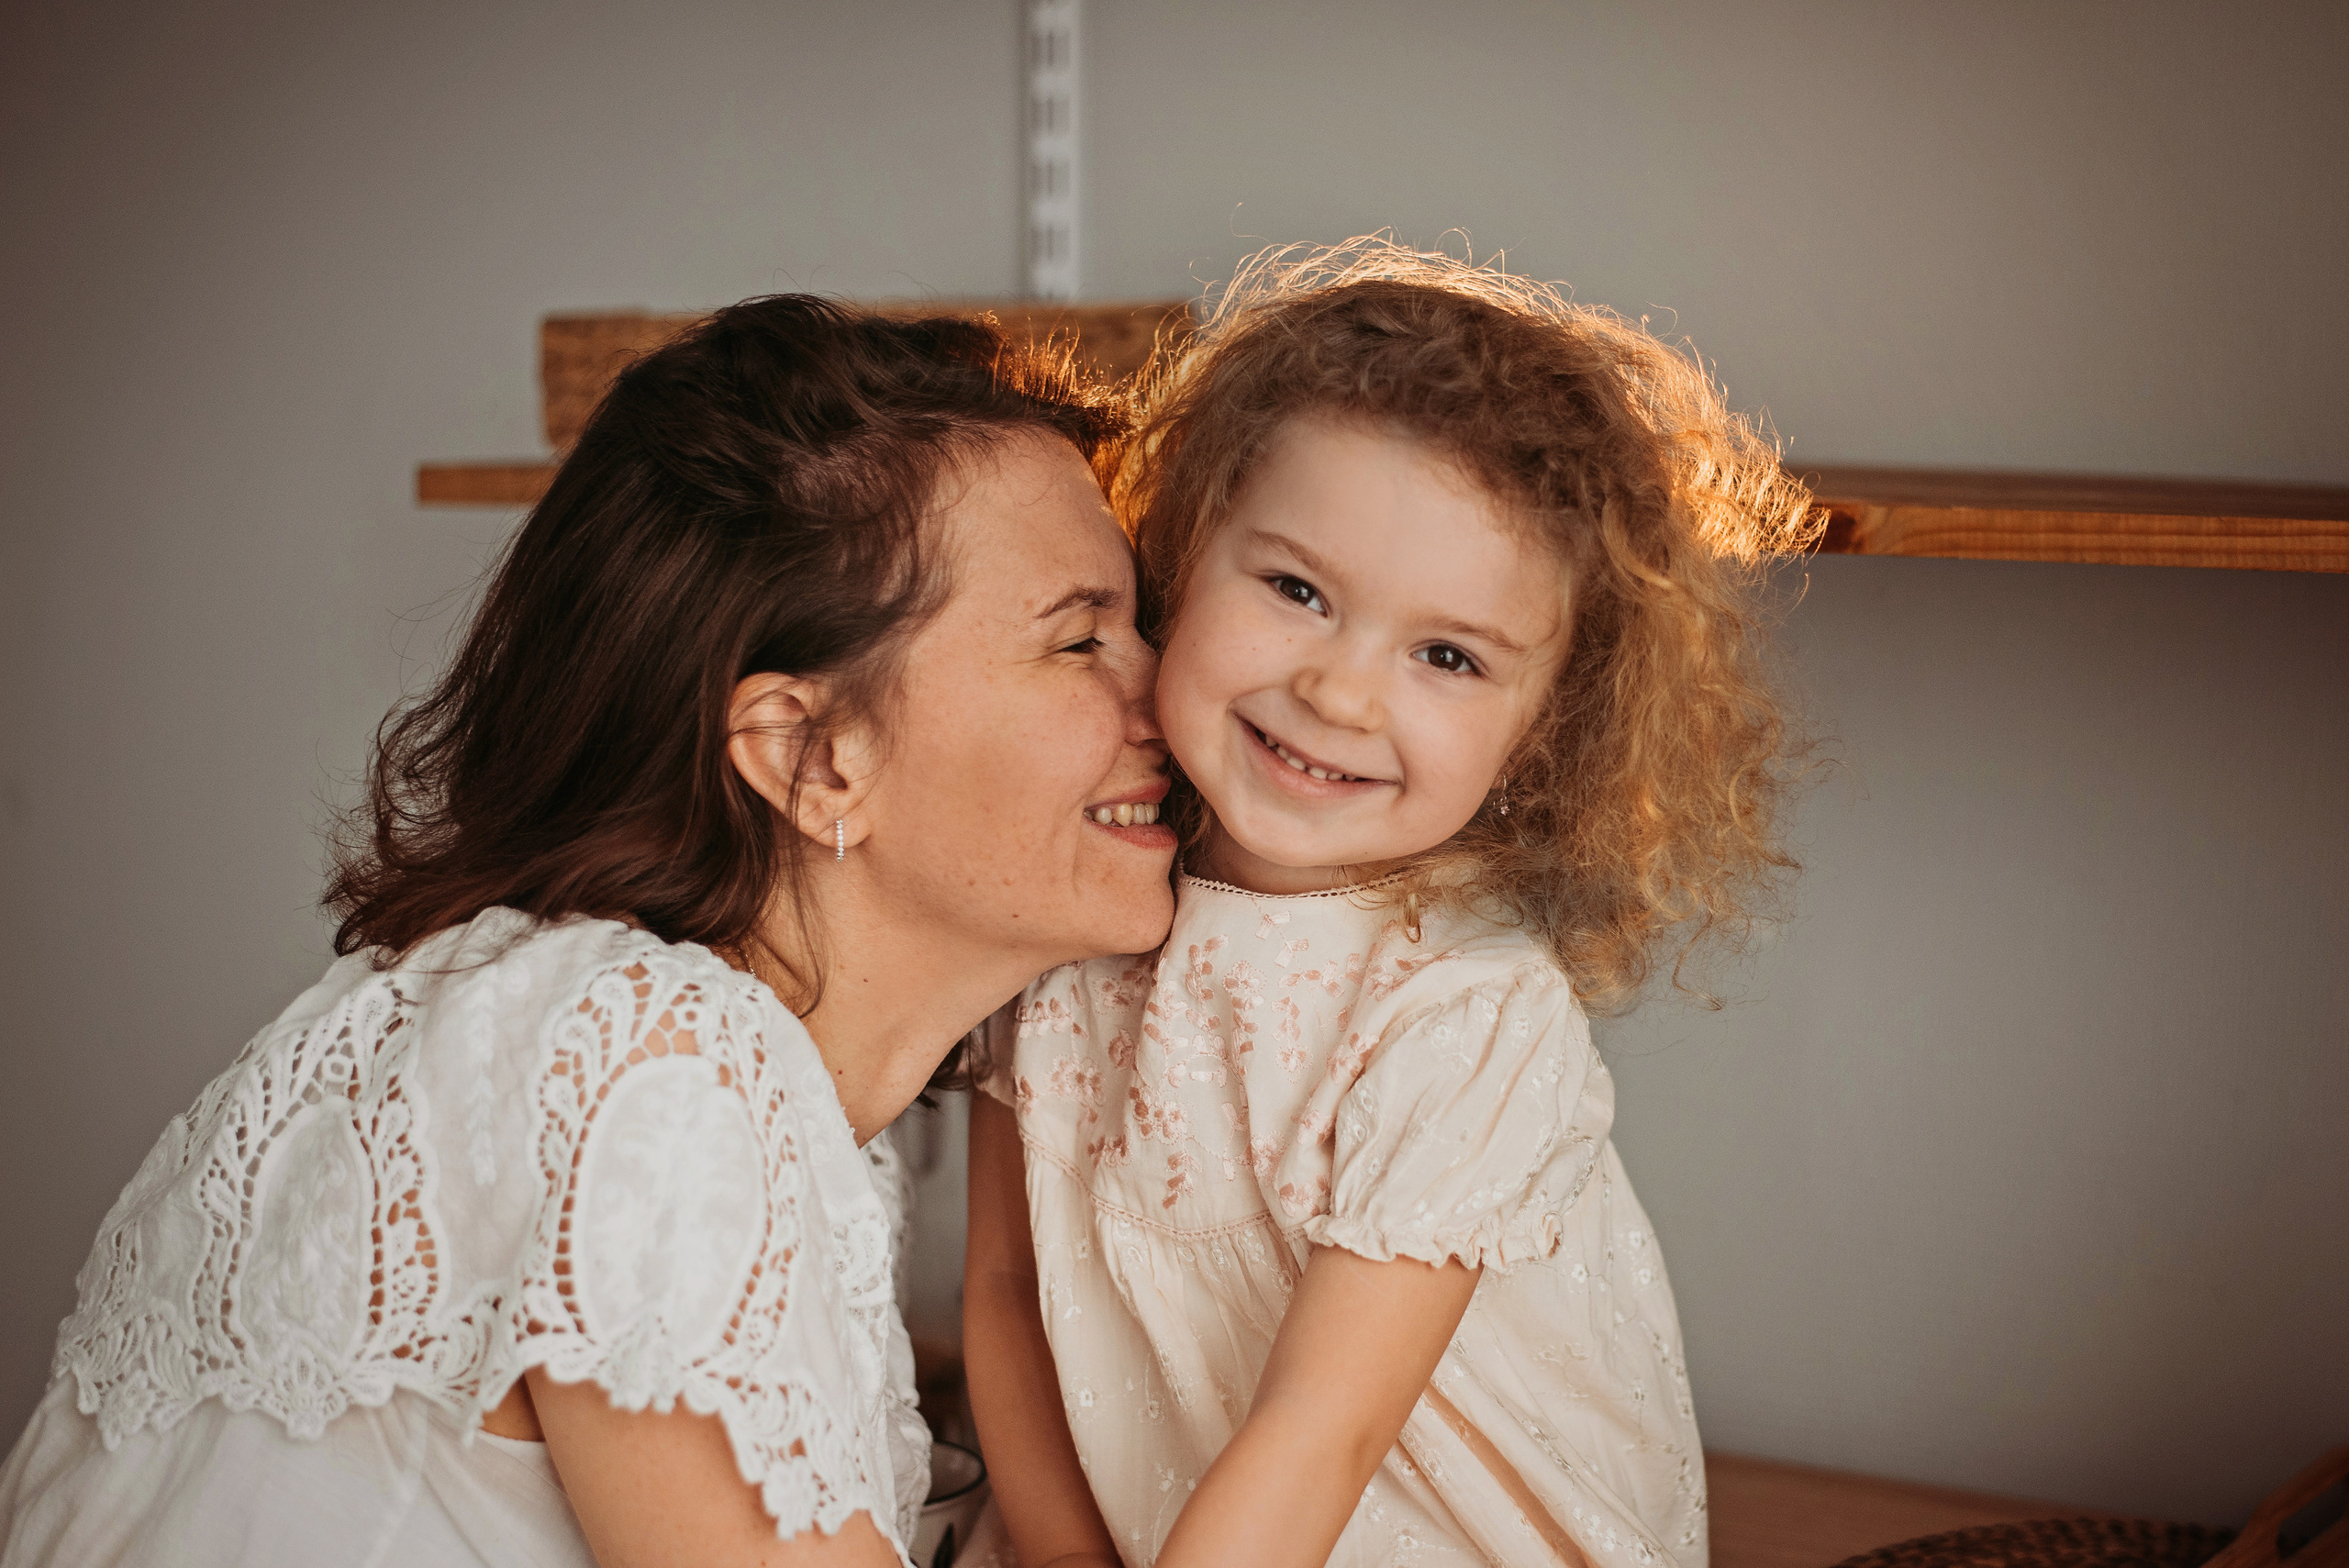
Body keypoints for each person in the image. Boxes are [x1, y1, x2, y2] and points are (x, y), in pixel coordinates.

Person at [0, 295, 1179, 1568]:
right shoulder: (652, 1065)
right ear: (811, 756)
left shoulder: (629, 1032)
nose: (1164, 687)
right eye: (1081, 639)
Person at [963, 240, 1820, 1568]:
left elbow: (1324, 1431)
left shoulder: (1465, 1013)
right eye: (1297, 590)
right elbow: (1009, 1297)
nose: (1343, 694)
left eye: (1446, 655)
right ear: (1185, 556)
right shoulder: (1074, 897)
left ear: (1544, 728)